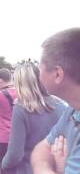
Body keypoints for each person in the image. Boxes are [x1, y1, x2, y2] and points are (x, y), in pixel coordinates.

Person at [1, 63, 67, 173]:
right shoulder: (61, 106)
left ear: (20, 84)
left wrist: (4, 164)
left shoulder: (21, 109)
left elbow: (15, 154)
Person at [31, 28, 80, 173]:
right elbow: (41, 149)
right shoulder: (72, 109)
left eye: (41, 68)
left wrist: (59, 170)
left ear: (57, 74)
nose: (39, 75)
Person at [0, 68, 17, 174]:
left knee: (3, 166)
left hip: (3, 136)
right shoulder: (19, 92)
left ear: (0, 80)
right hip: (17, 135)